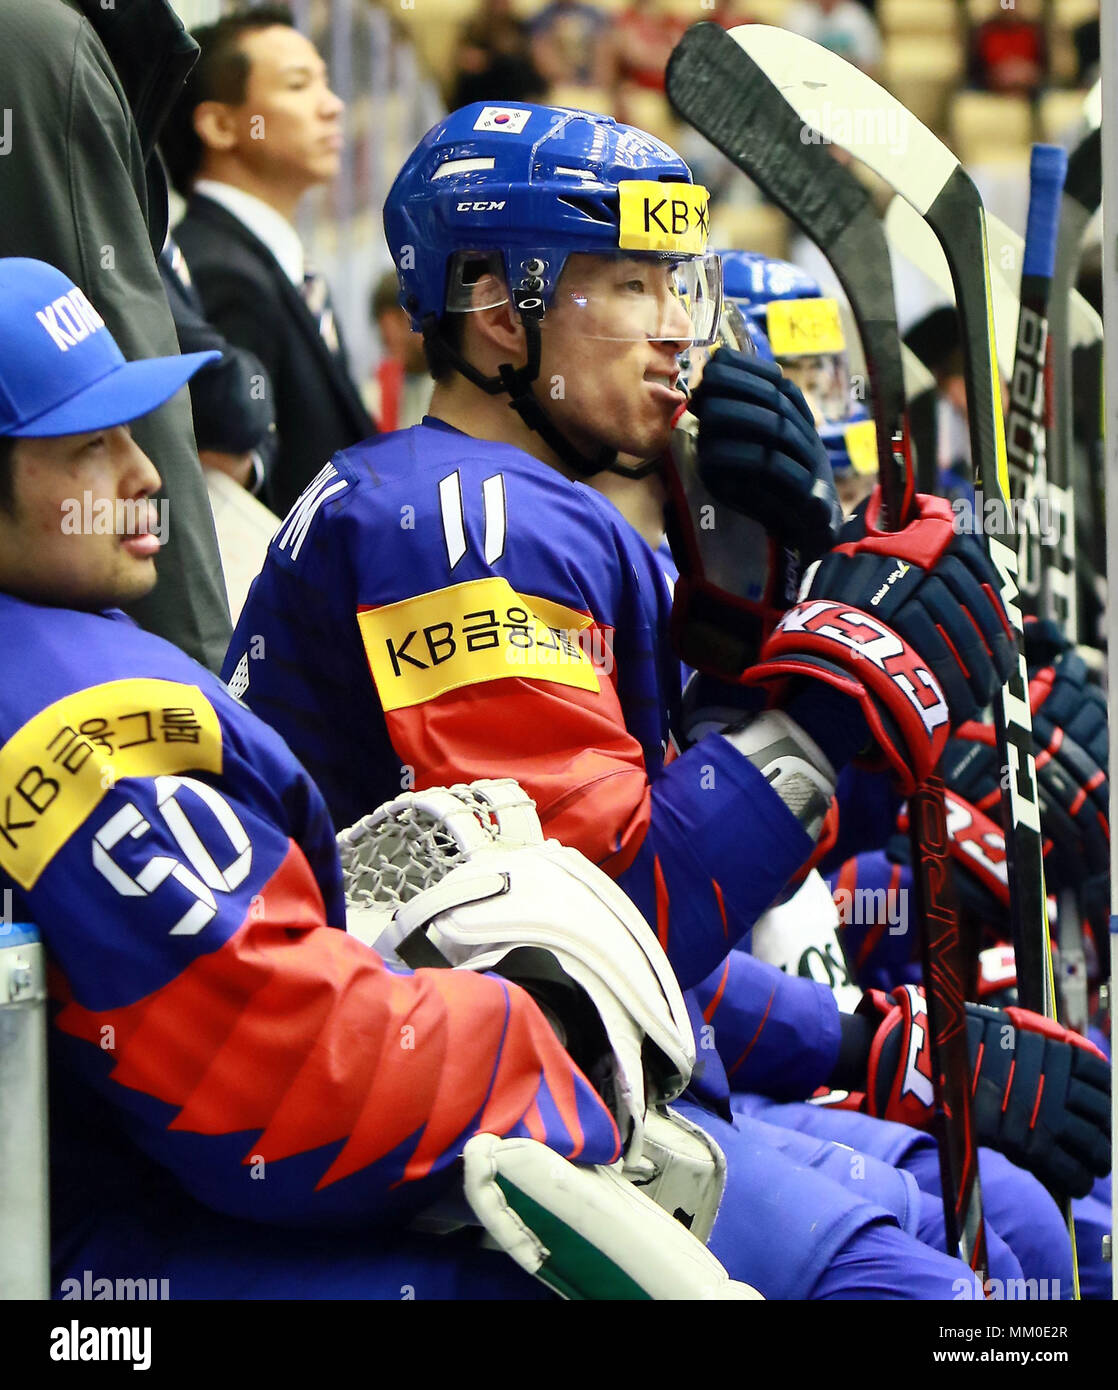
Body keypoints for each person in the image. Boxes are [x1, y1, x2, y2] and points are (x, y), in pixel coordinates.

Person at [226, 102, 1105, 1294]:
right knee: (942, 1284)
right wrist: (834, 702)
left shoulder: (536, 506)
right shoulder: (461, 523)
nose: (677, 333)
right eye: (628, 287)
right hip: (482, 1136)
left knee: (1017, 1232)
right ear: (495, 303)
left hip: (580, 1092)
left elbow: (694, 841)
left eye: (677, 285)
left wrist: (764, 587)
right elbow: (605, 935)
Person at [0, 255, 754, 1302]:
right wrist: (552, 1049)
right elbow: (281, 1080)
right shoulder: (78, 721)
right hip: (109, 1266)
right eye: (88, 449)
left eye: (134, 432)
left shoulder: (62, 647)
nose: (148, 476)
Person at [0, 0, 232, 672]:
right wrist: (200, 688)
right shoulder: (32, 42)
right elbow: (112, 373)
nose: (144, 475)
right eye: (103, 443)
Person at [160, 4, 375, 519]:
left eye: (326, 82)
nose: (333, 106)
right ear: (219, 124)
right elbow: (238, 478)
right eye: (299, 85)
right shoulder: (217, 271)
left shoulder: (280, 267)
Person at [367, 270, 433, 433]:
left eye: (399, 320)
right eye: (383, 324)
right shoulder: (376, 393)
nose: (390, 333)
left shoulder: (459, 388)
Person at [783, 0, 882, 78]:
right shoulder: (800, 16)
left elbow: (870, 62)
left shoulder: (855, 16)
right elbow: (789, 60)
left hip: (847, 82)